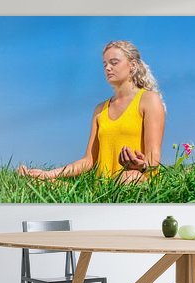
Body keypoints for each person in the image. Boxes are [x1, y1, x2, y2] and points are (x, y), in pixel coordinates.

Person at [17, 40, 165, 183]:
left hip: (137, 180)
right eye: (105, 64)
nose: (107, 68)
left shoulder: (149, 99)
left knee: (129, 177)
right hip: (103, 188)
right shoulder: (100, 110)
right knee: (39, 182)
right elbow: (89, 160)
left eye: (114, 62)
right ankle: (35, 176)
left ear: (132, 65)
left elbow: (153, 155)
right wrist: (48, 174)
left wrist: (142, 166)